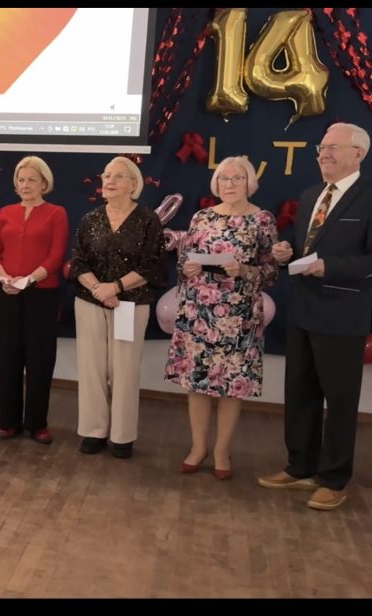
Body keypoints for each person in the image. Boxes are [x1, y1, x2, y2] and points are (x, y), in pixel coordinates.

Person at [260, 122, 372, 511]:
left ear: (359, 153)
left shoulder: (368, 197)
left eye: (333, 148)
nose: (324, 154)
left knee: (339, 400)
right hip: (303, 309)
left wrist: (330, 267)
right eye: (322, 148)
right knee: (300, 392)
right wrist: (286, 251)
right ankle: (300, 466)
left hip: (342, 313)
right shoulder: (311, 195)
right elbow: (304, 244)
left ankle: (334, 478)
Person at [164, 156, 277, 480]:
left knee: (231, 385)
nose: (230, 184)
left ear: (249, 182)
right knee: (197, 382)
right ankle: (198, 447)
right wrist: (187, 268)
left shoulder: (262, 219)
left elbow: (271, 272)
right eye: (224, 178)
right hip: (199, 312)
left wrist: (243, 269)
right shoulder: (202, 217)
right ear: (216, 183)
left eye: (237, 178)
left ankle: (222, 451)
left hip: (238, 317)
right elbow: (184, 261)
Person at [69, 156, 166, 459]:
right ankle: (93, 430)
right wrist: (99, 289)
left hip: (130, 305)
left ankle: (122, 436)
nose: (109, 181)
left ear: (133, 185)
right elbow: (78, 262)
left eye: (118, 176)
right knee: (91, 368)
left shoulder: (148, 220)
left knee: (124, 371)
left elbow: (152, 266)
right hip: (90, 301)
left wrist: (116, 288)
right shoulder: (90, 219)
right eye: (107, 175)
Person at [0, 155, 69, 443]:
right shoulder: (5, 213)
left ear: (44, 183)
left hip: (42, 294)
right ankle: (8, 421)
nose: (25, 185)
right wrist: (5, 277)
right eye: (21, 180)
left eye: (32, 180)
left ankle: (37, 423)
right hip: (7, 292)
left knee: (40, 359)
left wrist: (29, 280)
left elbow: (57, 255)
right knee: (9, 357)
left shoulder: (56, 213)